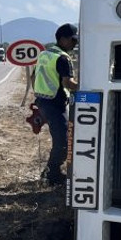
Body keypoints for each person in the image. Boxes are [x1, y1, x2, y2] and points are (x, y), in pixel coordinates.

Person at [34, 23, 79, 187]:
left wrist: (39, 98)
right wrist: (86, 85)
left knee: (62, 139)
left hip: (43, 101)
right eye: (73, 40)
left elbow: (34, 77)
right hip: (55, 103)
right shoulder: (62, 58)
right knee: (64, 141)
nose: (75, 44)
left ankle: (50, 173)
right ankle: (51, 174)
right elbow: (67, 83)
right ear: (63, 39)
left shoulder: (45, 54)